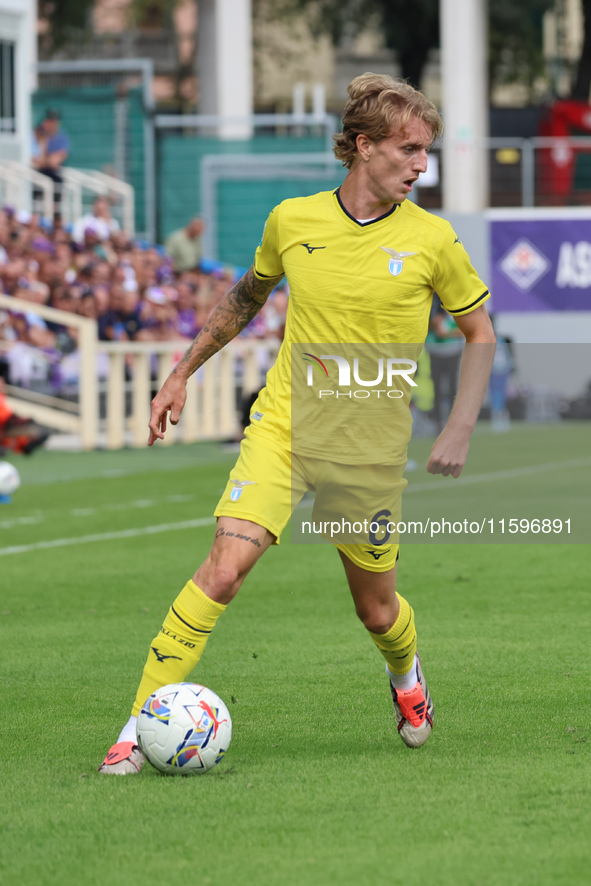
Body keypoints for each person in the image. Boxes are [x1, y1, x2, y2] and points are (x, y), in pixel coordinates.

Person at [99, 73, 496, 775]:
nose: (420, 165)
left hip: (367, 451)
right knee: (222, 570)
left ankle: (407, 679)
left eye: (425, 151)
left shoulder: (433, 240)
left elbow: (479, 334)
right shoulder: (292, 220)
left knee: (377, 613)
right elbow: (243, 299)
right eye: (408, 149)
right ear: (363, 146)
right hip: (283, 428)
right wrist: (180, 372)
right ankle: (138, 726)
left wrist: (459, 425)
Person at [31, 109, 71, 204]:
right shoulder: (39, 136)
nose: (51, 124)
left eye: (54, 121)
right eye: (49, 120)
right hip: (39, 175)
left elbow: (55, 161)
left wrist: (44, 161)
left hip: (54, 176)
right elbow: (36, 160)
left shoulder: (62, 138)